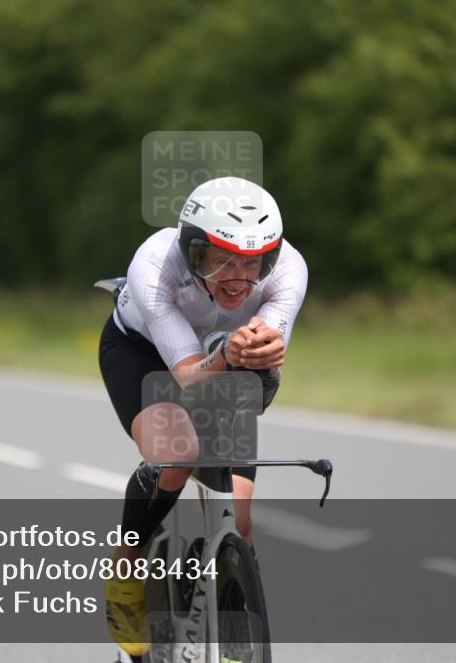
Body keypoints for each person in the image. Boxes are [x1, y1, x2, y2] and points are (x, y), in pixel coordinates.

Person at [97, 176, 308, 656]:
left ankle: (236, 629)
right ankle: (126, 567)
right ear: (194, 252)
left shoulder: (289, 269)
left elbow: (259, 371)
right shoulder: (154, 265)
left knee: (241, 514)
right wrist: (228, 358)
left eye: (252, 262)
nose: (239, 277)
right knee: (176, 453)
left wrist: (259, 355)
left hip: (223, 359)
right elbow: (190, 378)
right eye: (222, 260)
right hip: (145, 353)